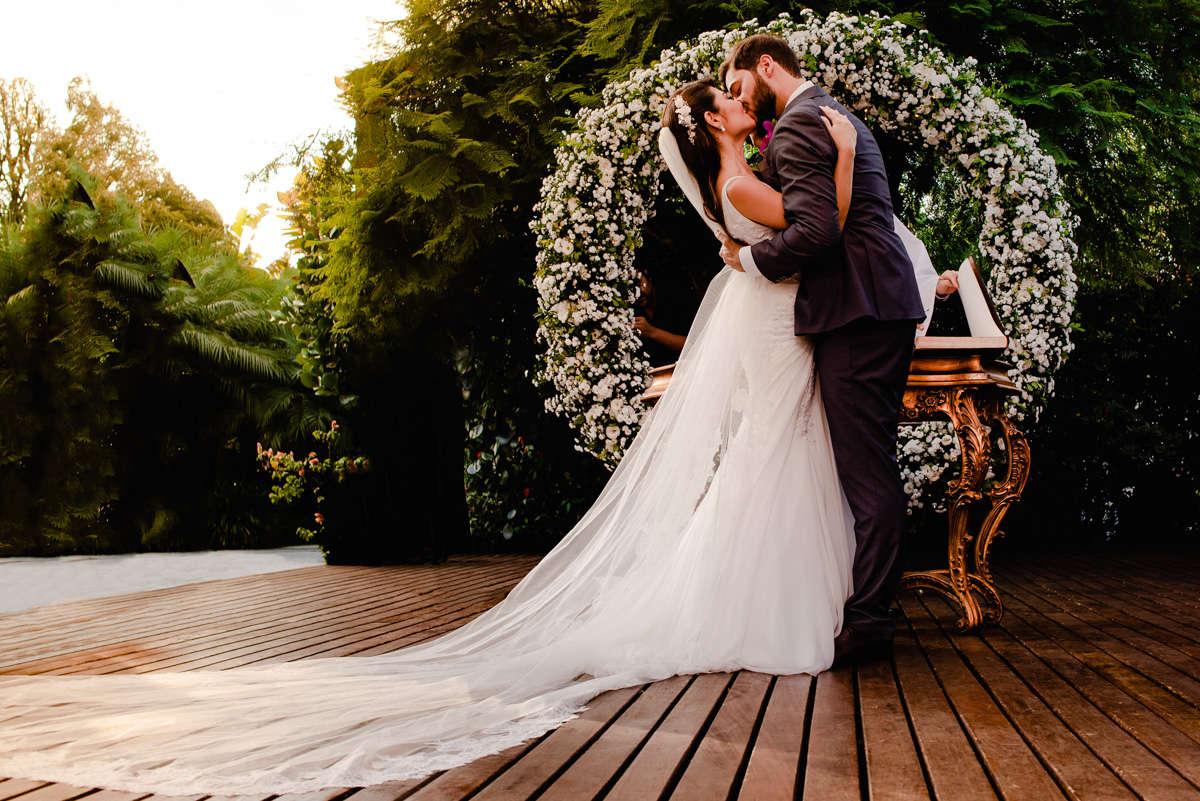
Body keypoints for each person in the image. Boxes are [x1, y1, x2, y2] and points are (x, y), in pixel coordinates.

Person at [0, 50, 954, 799]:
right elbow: (798, 236)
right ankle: (794, 607)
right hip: (774, 320)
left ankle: (815, 601)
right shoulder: (744, 176)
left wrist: (819, 190)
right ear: (716, 119)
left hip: (790, 326)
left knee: (783, 458)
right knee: (778, 458)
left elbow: (813, 223)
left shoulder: (762, 155)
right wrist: (769, 246)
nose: (750, 102)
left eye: (751, 91)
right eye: (737, 98)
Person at [716, 33, 938, 666]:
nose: (739, 98)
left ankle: (868, 622)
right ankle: (866, 609)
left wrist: (750, 259)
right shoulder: (826, 116)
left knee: (866, 472)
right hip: (873, 303)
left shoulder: (797, 126)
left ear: (765, 67)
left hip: (858, 308)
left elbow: (816, 232)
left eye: (737, 85)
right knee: (868, 464)